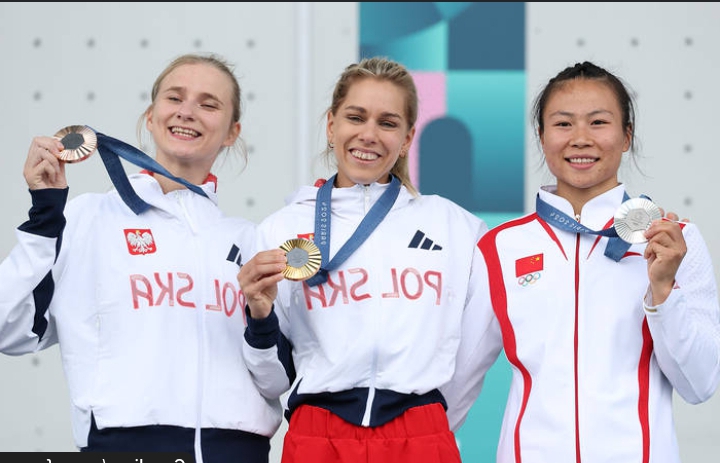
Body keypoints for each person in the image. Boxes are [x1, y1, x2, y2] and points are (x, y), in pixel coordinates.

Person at [0, 53, 282, 463]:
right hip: (124, 447)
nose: (187, 112)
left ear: (231, 132)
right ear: (150, 116)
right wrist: (45, 214)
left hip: (237, 452)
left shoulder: (249, 240)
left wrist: (261, 319)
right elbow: (7, 328)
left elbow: (274, 381)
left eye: (208, 103)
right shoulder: (89, 218)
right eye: (174, 98)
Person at [440, 61, 720, 462]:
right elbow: (456, 384)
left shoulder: (673, 241)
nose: (581, 139)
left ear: (626, 136)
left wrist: (663, 291)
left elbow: (700, 383)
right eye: (563, 124)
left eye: (599, 122)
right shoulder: (500, 247)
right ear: (541, 136)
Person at [236, 56, 489, 463]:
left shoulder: (456, 228)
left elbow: (477, 351)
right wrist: (260, 316)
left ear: (407, 139)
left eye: (388, 123)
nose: (369, 134)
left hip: (421, 433)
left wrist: (428, 418)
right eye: (356, 117)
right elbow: (271, 380)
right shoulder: (280, 230)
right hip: (317, 436)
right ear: (332, 124)